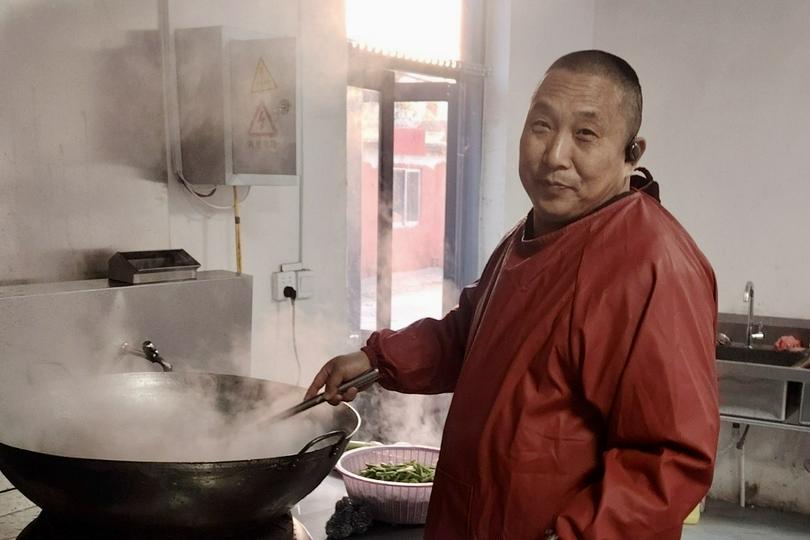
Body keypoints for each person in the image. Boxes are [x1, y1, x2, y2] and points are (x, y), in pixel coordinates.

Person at [306, 50, 719, 539]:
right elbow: (471, 336)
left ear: (632, 152)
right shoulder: (531, 235)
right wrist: (375, 358)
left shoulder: (651, 266)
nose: (554, 155)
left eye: (585, 134)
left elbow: (666, 459)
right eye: (541, 126)